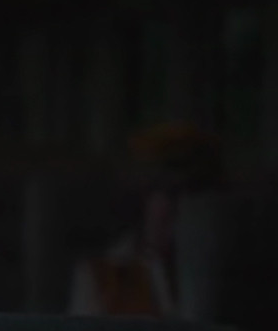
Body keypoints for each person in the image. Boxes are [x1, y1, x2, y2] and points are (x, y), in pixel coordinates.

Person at [68, 122, 224, 317]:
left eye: (194, 197)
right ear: (146, 199)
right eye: (172, 194)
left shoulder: (230, 278)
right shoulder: (104, 278)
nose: (183, 212)